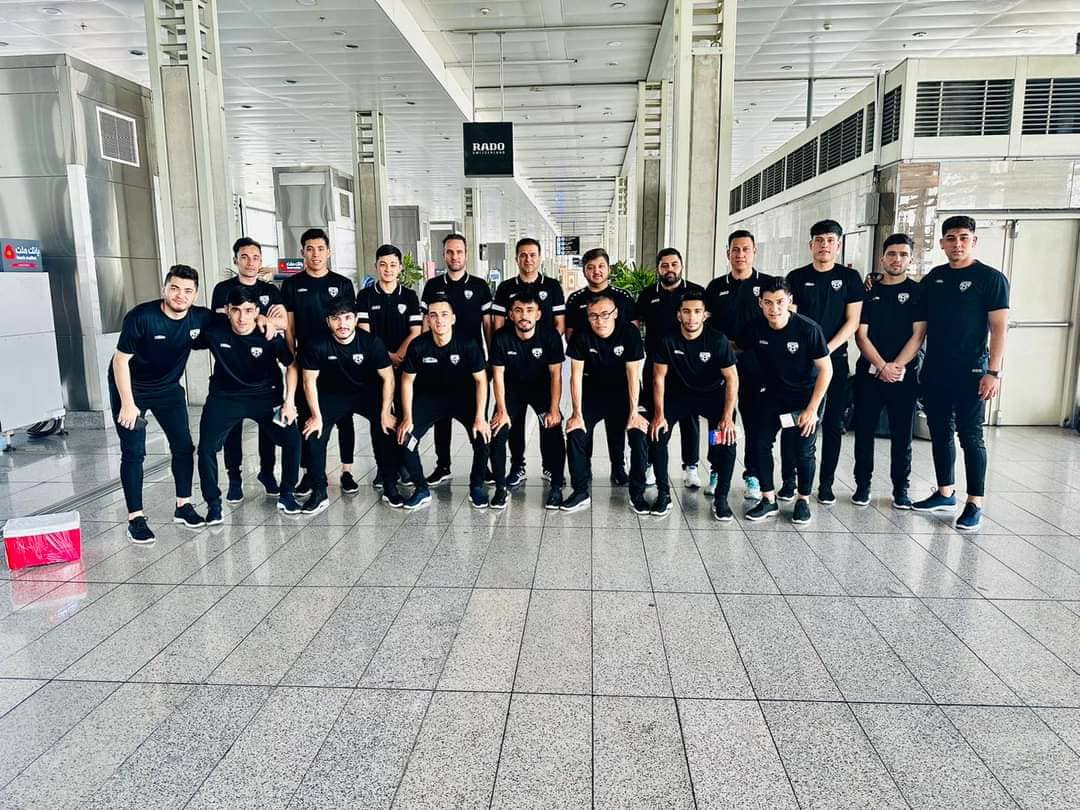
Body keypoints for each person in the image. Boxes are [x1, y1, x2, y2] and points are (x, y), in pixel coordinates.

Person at [913, 216, 1009, 531]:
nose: (957, 244)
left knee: (971, 436)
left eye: (964, 237)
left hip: (973, 371)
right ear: (942, 243)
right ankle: (945, 493)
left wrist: (993, 372)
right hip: (936, 369)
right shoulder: (935, 278)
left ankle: (974, 502)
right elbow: (916, 312)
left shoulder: (990, 279)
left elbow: (999, 328)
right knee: (940, 431)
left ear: (974, 241)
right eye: (951, 238)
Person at [110, 265, 214, 543]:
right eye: (175, 288)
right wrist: (127, 404)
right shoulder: (141, 317)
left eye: (188, 291)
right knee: (134, 452)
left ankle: (183, 506)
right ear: (164, 289)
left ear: (195, 294)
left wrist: (267, 321)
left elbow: (234, 320)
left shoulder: (200, 318)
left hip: (168, 389)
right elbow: (120, 361)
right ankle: (136, 518)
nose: (181, 295)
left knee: (183, 446)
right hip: (131, 388)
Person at [194, 286, 302, 524]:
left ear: (256, 311)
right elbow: (183, 339)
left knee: (292, 440)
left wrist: (289, 402)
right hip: (225, 397)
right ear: (227, 310)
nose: (242, 317)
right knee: (206, 448)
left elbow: (291, 365)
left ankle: (287, 494)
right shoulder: (214, 332)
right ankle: (213, 503)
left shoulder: (268, 334)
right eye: (236, 310)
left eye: (248, 310)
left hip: (266, 397)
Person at [781, 219, 865, 505]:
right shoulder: (796, 277)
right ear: (811, 245)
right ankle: (789, 481)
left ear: (838, 245)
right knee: (795, 422)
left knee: (831, 424)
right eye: (819, 240)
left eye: (830, 240)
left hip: (835, 361)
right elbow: (791, 318)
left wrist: (825, 351)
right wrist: (810, 353)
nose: (824, 245)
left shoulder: (850, 278)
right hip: (800, 365)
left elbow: (853, 321)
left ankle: (826, 483)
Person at [739, 278, 832, 525]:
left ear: (790, 301)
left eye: (780, 302)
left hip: (805, 397)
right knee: (760, 443)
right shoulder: (755, 328)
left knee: (803, 450)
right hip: (773, 395)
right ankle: (768, 499)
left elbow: (826, 370)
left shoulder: (808, 329)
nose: (774, 308)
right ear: (760, 303)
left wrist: (812, 410)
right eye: (768, 303)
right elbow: (737, 350)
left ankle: (803, 500)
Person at [300, 299, 400, 514]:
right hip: (331, 395)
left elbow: (388, 378)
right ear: (328, 321)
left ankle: (390, 485)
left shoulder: (371, 342)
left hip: (366, 393)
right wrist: (316, 416)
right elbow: (309, 381)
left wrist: (385, 412)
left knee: (386, 428)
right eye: (336, 319)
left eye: (347, 318)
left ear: (355, 320)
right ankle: (319, 491)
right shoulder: (316, 344)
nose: (342, 324)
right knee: (314, 432)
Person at [210, 237, 289, 503]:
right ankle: (234, 478)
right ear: (236, 260)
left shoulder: (270, 291)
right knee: (233, 428)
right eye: (244, 257)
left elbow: (283, 324)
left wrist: (268, 320)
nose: (250, 262)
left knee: (269, 428)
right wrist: (262, 318)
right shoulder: (223, 289)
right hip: (231, 371)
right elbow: (222, 324)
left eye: (255, 257)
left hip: (265, 373)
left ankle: (267, 472)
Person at [649, 291, 740, 520]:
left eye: (697, 312)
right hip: (678, 396)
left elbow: (732, 378)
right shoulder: (668, 340)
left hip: (712, 398)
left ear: (705, 315)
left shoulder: (717, 340)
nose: (691, 317)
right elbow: (658, 378)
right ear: (679, 315)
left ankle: (721, 498)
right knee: (658, 435)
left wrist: (727, 417)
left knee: (724, 440)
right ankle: (663, 494)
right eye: (686, 312)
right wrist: (659, 415)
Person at [280, 228, 358, 496]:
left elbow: (349, 321)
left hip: (339, 358)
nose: (315, 254)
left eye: (320, 249)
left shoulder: (342, 283)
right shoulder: (291, 285)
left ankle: (347, 471)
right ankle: (310, 473)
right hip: (306, 357)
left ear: (329, 252)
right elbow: (289, 326)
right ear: (302, 252)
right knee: (307, 415)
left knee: (344, 416)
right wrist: (291, 355)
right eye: (310, 249)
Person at [852, 234, 926, 510]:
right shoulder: (868, 291)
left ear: (910, 259)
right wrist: (882, 366)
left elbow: (918, 335)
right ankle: (862, 485)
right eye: (892, 254)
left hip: (904, 376)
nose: (897, 259)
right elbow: (861, 335)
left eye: (903, 254)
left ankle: (901, 489)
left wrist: (896, 367)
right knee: (864, 432)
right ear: (882, 258)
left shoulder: (918, 292)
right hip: (869, 374)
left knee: (902, 435)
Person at [397, 297, 492, 510]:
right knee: (405, 438)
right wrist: (407, 417)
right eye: (433, 315)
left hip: (463, 397)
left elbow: (481, 380)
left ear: (453, 318)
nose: (439, 320)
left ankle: (477, 486)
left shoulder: (468, 344)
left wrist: (480, 417)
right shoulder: (418, 345)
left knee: (482, 437)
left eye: (444, 315)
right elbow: (407, 380)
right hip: (429, 398)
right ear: (428, 320)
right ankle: (421, 489)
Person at [704, 230, 776, 502]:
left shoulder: (767, 285)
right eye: (735, 249)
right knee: (720, 421)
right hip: (722, 366)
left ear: (754, 252)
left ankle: (753, 474)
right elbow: (707, 326)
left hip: (756, 366)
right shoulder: (715, 287)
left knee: (755, 422)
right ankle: (717, 468)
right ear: (728, 253)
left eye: (746, 249)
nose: (740, 254)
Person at [563, 292, 649, 513]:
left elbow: (633, 375)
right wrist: (576, 413)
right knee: (575, 432)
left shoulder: (629, 333)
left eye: (604, 314)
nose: (599, 321)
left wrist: (634, 413)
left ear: (615, 313)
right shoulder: (581, 335)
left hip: (624, 391)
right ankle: (580, 491)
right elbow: (575, 376)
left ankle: (636, 493)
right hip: (593, 391)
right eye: (593, 316)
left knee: (638, 432)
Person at [419, 233, 493, 486]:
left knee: (478, 413)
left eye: (459, 252)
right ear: (443, 255)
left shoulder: (480, 286)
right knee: (442, 417)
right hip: (438, 362)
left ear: (466, 254)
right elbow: (426, 323)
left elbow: (487, 325)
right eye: (450, 252)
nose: (454, 256)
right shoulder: (432, 286)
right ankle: (443, 465)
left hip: (472, 363)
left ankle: (484, 465)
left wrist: (491, 359)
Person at [564, 247, 637, 484]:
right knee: (584, 426)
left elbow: (632, 331)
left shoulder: (623, 297)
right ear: (584, 270)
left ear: (608, 268)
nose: (596, 271)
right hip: (589, 375)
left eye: (601, 266)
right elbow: (570, 334)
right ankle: (584, 469)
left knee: (617, 428)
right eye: (591, 267)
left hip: (619, 376)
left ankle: (619, 467)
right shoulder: (575, 299)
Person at [635, 248, 706, 490]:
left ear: (681, 266)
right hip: (655, 363)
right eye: (664, 265)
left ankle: (691, 466)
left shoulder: (696, 292)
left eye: (674, 264)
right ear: (658, 269)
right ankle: (652, 464)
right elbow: (635, 325)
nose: (670, 269)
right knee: (655, 414)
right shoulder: (647, 295)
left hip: (688, 365)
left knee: (690, 417)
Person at [489, 291, 566, 510]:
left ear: (538, 314)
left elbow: (556, 375)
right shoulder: (501, 337)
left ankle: (556, 485)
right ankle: (502, 487)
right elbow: (498, 376)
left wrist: (554, 409)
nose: (524, 316)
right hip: (512, 390)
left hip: (541, 389)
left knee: (553, 428)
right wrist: (501, 410)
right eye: (519, 310)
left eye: (530, 310)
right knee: (499, 431)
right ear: (511, 315)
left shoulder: (550, 336)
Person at [354, 243, 422, 489]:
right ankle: (384, 469)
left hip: (404, 365)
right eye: (383, 264)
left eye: (393, 265)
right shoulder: (365, 296)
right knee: (379, 418)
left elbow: (415, 331)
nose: (388, 269)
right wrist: (386, 357)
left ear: (400, 268)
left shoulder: (410, 296)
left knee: (404, 415)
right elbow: (364, 332)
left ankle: (404, 465)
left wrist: (397, 356)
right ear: (376, 266)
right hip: (375, 366)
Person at [491, 237, 566, 334]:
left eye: (532, 255)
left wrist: (550, 341)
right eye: (523, 255)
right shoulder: (505, 287)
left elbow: (560, 324)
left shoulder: (553, 286)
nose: (528, 259)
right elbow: (498, 323)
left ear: (539, 258)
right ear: (516, 259)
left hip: (545, 343)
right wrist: (504, 342)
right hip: (512, 343)